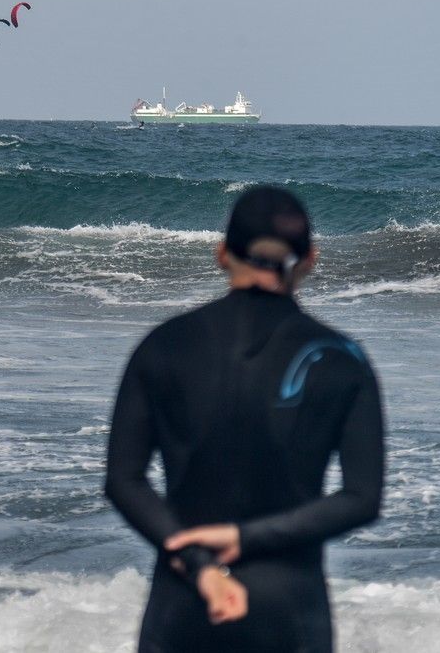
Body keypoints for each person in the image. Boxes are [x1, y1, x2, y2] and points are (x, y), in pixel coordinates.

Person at [105, 186, 385, 652]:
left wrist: (201, 566)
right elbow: (361, 499)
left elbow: (124, 481)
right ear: (310, 260)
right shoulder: (342, 358)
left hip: (185, 601)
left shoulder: (164, 344)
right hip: (290, 607)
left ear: (221, 254)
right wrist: (243, 537)